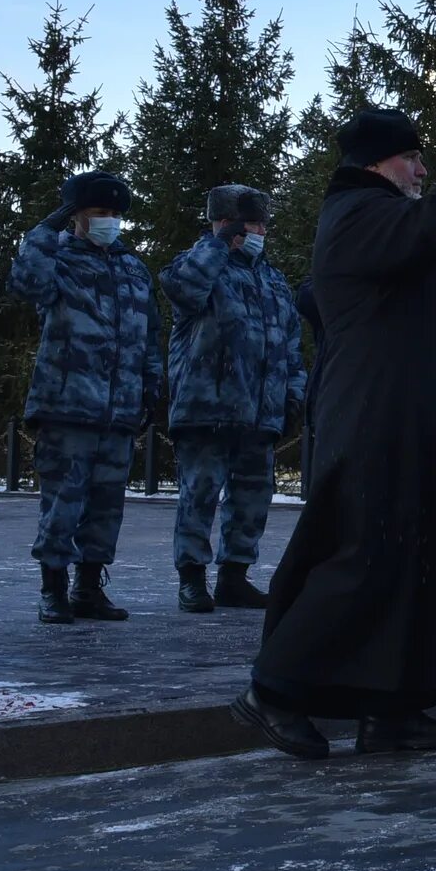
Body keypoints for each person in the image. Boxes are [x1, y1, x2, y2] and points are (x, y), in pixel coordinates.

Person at [231, 108, 436, 759]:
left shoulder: (379, 224)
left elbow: (416, 300)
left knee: (423, 558)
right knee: (365, 554)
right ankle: (273, 690)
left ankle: (392, 709)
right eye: (411, 157)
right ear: (375, 162)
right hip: (375, 417)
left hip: (410, 415)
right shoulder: (359, 213)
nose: (421, 170)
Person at [12, 171, 158, 625]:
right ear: (76, 215)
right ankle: (52, 589)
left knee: (106, 505)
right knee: (63, 503)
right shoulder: (57, 259)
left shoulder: (133, 268)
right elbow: (26, 282)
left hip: (119, 410)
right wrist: (43, 230)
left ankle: (89, 588)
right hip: (67, 404)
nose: (110, 221)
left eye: (116, 214)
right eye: (100, 213)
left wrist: (152, 386)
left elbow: (148, 333)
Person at [159, 185, 306, 613]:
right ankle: (191, 578)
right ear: (226, 223)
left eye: (262, 223)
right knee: (199, 496)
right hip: (207, 410)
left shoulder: (273, 279)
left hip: (259, 413)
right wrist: (217, 243)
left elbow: (289, 346)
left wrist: (293, 396)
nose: (259, 231)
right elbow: (183, 289)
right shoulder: (198, 266)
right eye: (250, 223)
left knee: (252, 498)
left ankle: (234, 577)